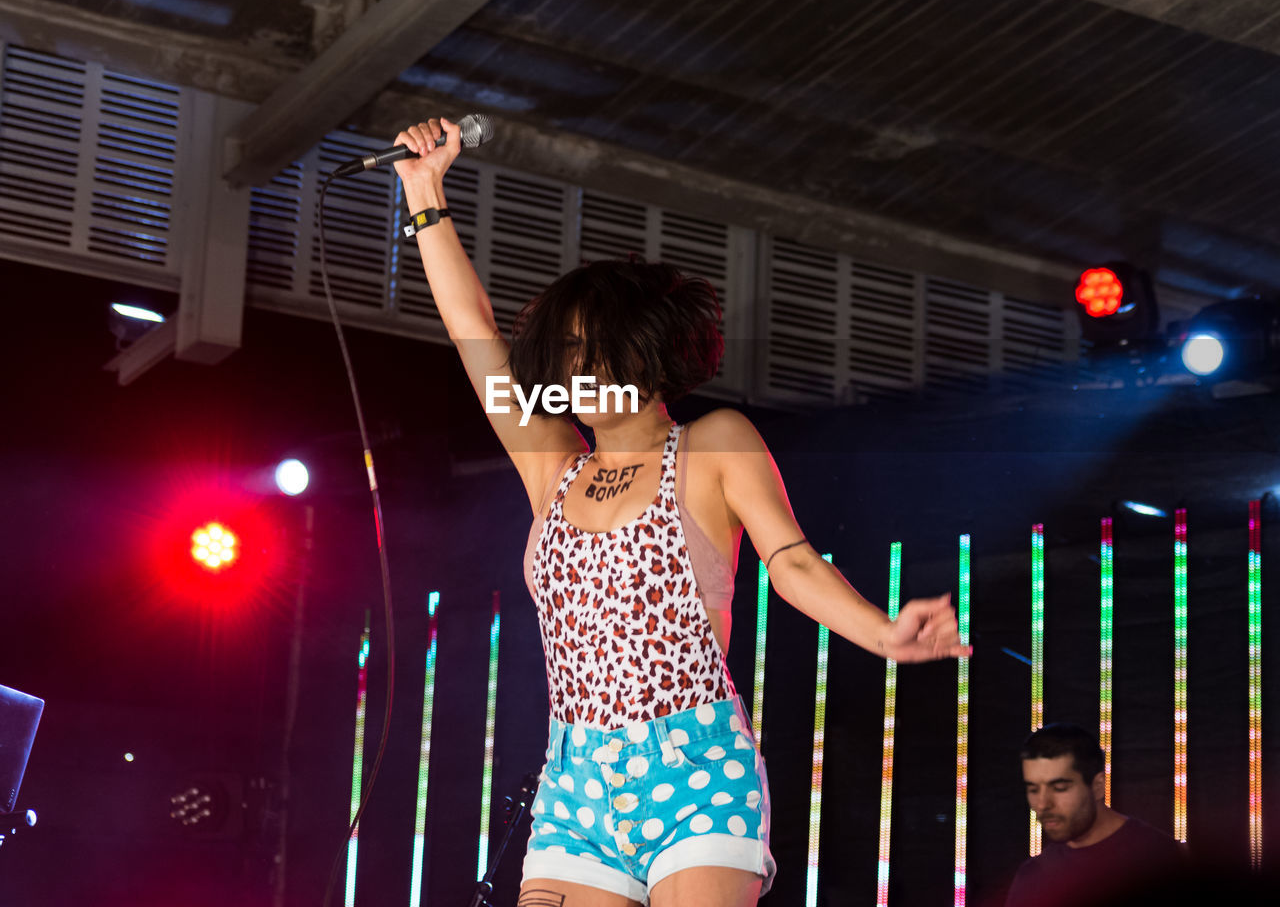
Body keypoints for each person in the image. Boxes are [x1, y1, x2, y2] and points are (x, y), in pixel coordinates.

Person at [393, 118, 970, 907]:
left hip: (695, 770)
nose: (564, 368)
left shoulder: (711, 445)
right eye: (558, 355)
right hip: (575, 783)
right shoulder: (552, 466)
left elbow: (792, 561)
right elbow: (474, 335)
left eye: (581, 349)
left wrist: (882, 634)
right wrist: (425, 193)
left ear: (640, 353)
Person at [1007, 723, 1183, 907]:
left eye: (1059, 788)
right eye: (1033, 790)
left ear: (1098, 786)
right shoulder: (1033, 875)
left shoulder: (1157, 859)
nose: (1043, 804)